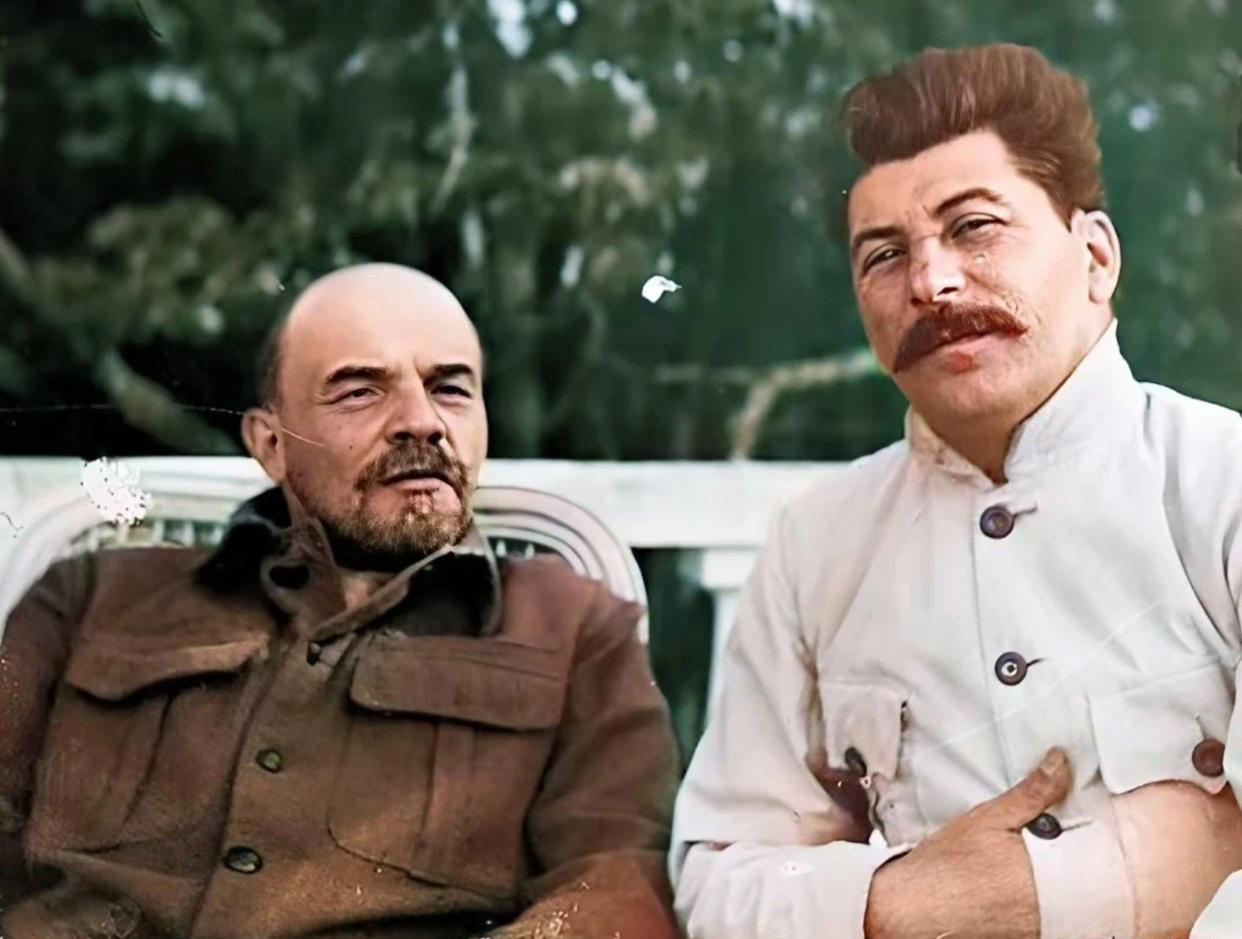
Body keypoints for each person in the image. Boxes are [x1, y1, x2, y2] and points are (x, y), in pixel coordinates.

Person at [671, 43, 1242, 939]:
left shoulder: (1219, 482)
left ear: (1096, 257)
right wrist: (902, 903)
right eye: (883, 255)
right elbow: (718, 877)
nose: (930, 283)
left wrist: (1063, 895)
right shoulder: (817, 544)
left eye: (974, 227)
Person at [0, 263, 682, 939]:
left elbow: (614, 889)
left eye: (450, 389)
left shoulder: (573, 627)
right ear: (271, 443)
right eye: (360, 392)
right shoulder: (88, 595)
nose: (422, 421)